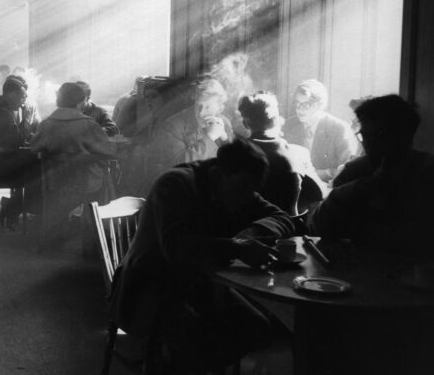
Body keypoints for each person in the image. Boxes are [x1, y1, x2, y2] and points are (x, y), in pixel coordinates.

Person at [109, 138, 295, 373]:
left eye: (252, 191)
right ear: (219, 174)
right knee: (194, 339)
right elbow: (176, 249)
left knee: (258, 328)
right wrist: (237, 248)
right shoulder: (175, 185)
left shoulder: (238, 184)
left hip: (198, 282)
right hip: (146, 286)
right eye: (242, 189)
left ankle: (167, 367)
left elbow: (282, 218)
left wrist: (253, 233)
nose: (246, 198)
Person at [310, 95, 434, 262]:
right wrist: (342, 194)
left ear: (405, 135)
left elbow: (431, 241)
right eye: (364, 136)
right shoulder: (355, 170)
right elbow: (316, 228)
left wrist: (358, 230)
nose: (369, 144)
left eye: (380, 135)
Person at [238, 91, 326, 215]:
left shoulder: (233, 153)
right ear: (276, 120)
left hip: (243, 229)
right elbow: (320, 193)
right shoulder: (298, 153)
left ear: (245, 124)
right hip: (287, 229)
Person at [31, 82, 116, 199]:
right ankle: (93, 215)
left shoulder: (45, 124)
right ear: (81, 102)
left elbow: (34, 147)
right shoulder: (88, 124)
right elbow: (109, 151)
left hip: (54, 184)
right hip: (86, 185)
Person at [0, 75, 39, 229]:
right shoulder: (1, 113)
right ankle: (12, 207)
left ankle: (14, 206)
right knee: (42, 172)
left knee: (39, 168)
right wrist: (27, 119)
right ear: (11, 94)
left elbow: (12, 138)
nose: (23, 101)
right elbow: (17, 140)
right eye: (22, 96)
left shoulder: (2, 109)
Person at [282, 79, 354, 183]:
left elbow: (346, 170)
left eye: (306, 104)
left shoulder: (339, 128)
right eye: (297, 103)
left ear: (319, 104)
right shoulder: (288, 125)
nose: (300, 109)